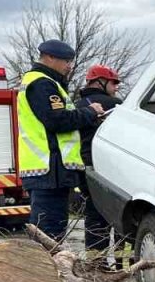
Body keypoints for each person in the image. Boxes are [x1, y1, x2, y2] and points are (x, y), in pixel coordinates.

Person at [17, 39, 107, 241]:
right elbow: (56, 121)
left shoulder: (45, 82)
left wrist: (87, 117)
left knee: (50, 231)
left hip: (49, 171)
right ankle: (43, 271)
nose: (70, 65)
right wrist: (89, 112)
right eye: (66, 60)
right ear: (49, 58)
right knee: (48, 233)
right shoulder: (42, 83)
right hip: (50, 170)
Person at [75, 63, 122, 258]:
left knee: (94, 215)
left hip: (85, 167)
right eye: (113, 83)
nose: (116, 87)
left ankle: (96, 265)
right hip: (113, 168)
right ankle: (123, 264)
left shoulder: (77, 106)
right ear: (100, 82)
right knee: (120, 215)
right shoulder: (118, 105)